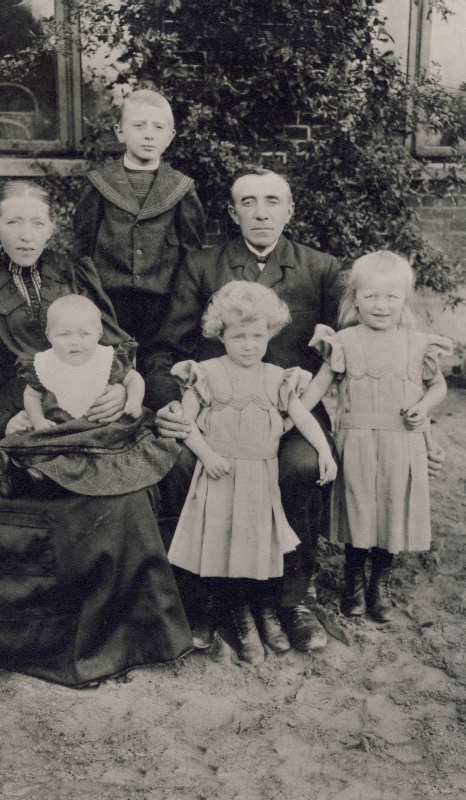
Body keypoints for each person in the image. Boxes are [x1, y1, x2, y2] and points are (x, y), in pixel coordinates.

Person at [0, 180, 192, 687]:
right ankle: (70, 641)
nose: (26, 234)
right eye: (13, 222)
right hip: (25, 427)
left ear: (51, 227)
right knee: (75, 508)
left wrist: (118, 391)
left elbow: (119, 346)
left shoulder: (75, 273)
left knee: (145, 484)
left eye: (37, 222)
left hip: (95, 416)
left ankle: (134, 632)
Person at [144, 166, 344, 653]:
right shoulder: (201, 265)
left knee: (301, 464)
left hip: (290, 412)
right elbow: (164, 351)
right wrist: (172, 405)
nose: (261, 212)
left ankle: (289, 599)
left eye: (272, 201)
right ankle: (206, 596)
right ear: (233, 213)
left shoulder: (321, 268)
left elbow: (348, 348)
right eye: (248, 202)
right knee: (183, 462)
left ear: (289, 210)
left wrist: (321, 369)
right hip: (216, 413)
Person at [168, 282, 337, 664]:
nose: (248, 345)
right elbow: (185, 424)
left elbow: (302, 417)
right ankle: (235, 614)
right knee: (222, 543)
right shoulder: (207, 374)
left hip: (260, 477)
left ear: (270, 333)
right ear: (220, 335)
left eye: (257, 336)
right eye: (238, 336)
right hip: (220, 475)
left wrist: (325, 451)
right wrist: (207, 455)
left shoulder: (277, 377)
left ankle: (264, 611)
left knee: (258, 543)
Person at [300, 251, 452, 623]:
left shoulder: (418, 343)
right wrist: (288, 417)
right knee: (359, 508)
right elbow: (316, 389)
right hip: (357, 444)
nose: (381, 305)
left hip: (403, 442)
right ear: (355, 298)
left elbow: (438, 386)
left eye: (391, 297)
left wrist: (424, 406)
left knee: (392, 508)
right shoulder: (344, 342)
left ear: (405, 299)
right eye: (370, 296)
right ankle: (353, 580)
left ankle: (379, 583)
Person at [0, 294, 180, 499]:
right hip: (60, 433)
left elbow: (134, 379)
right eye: (64, 335)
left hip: (100, 432)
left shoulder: (107, 360)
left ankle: (45, 479)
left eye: (84, 334)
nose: (74, 342)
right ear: (49, 335)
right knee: (42, 450)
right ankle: (27, 476)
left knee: (112, 454)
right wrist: (38, 420)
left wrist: (133, 401)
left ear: (99, 333)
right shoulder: (44, 364)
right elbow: (31, 395)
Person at [72, 88, 205, 369]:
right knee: (112, 374)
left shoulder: (181, 188)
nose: (148, 135)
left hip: (163, 307)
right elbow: (82, 252)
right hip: (109, 305)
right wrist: (91, 302)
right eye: (139, 125)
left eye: (158, 127)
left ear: (170, 136)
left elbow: (192, 258)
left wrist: (181, 311)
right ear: (120, 132)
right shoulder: (99, 184)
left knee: (158, 373)